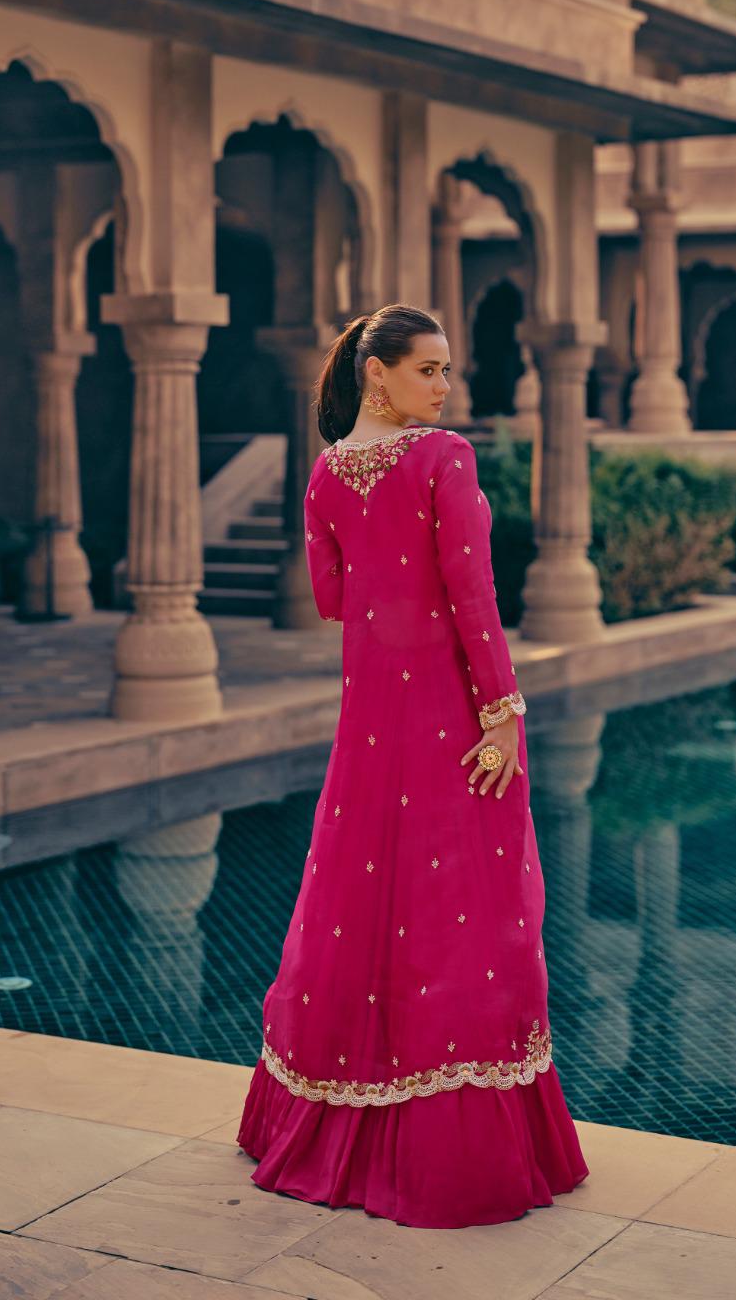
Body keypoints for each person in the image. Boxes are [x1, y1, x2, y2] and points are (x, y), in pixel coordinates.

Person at [236, 303, 589, 1226]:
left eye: (445, 370)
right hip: (448, 722)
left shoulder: (323, 475)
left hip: (370, 727)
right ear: (376, 374)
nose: (444, 386)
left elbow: (328, 597)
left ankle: (331, 1121)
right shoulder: (443, 460)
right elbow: (474, 594)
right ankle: (443, 1142)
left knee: (360, 909)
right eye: (427, 370)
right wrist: (502, 714)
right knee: (466, 919)